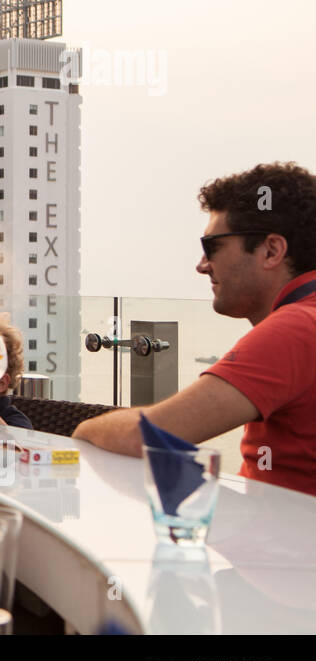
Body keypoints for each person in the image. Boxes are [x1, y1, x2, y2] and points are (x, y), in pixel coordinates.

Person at [74, 162, 316, 496]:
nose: (202, 265)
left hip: (278, 540)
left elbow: (145, 436)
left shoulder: (296, 328)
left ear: (271, 250)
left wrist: (85, 429)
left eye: (212, 246)